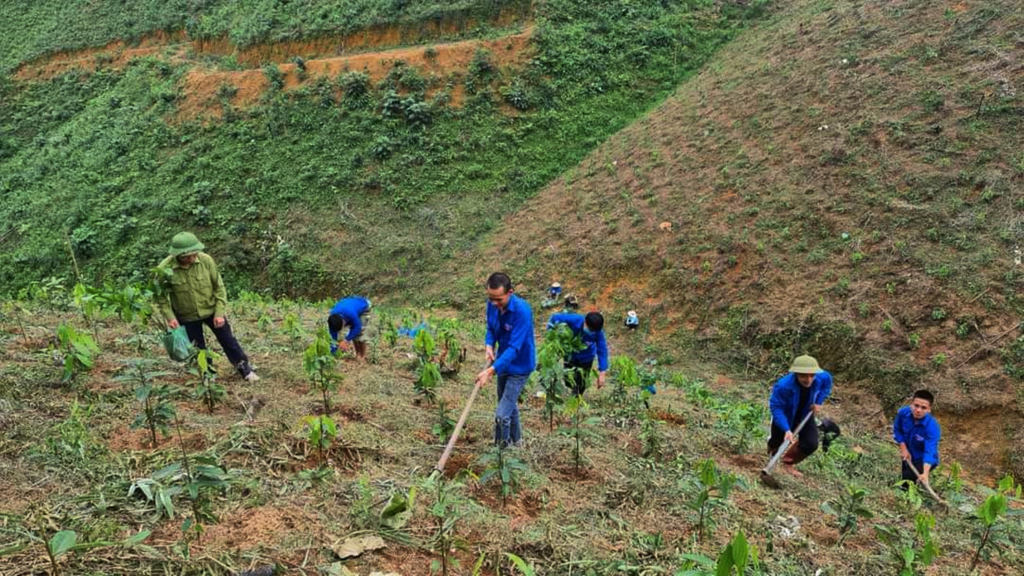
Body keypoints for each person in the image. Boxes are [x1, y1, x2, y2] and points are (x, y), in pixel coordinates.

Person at [154, 232, 258, 381]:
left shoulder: (206, 261)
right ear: (177, 255)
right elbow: (160, 297)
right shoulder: (164, 269)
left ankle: (245, 370)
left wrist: (219, 313)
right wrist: (170, 317)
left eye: (194, 255)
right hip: (186, 315)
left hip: (211, 310)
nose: (192, 259)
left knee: (229, 341)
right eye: (187, 257)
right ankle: (208, 375)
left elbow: (219, 287)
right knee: (198, 349)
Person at [475, 273, 536, 447]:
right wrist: (488, 345)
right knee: (509, 407)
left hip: (520, 365)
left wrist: (490, 370)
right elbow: (491, 328)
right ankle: (517, 444)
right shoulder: (492, 304)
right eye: (490, 298)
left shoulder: (522, 311)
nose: (494, 303)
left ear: (510, 292)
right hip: (502, 362)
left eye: (498, 300)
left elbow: (515, 348)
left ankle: (502, 452)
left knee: (502, 415)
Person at [767, 355, 834, 477]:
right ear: (796, 374)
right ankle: (772, 454)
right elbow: (776, 408)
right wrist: (786, 429)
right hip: (786, 415)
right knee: (777, 440)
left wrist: (818, 402)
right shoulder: (783, 386)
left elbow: (827, 384)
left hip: (805, 414)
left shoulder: (822, 377)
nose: (808, 379)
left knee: (811, 444)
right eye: (803, 376)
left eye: (811, 375)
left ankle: (788, 462)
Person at [546, 311, 609, 396]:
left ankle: (576, 399)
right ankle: (573, 390)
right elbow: (554, 318)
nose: (591, 332)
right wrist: (551, 334)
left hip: (586, 358)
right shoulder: (574, 319)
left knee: (581, 383)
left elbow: (602, 350)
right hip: (570, 354)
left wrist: (602, 372)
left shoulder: (598, 332)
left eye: (593, 331)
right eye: (590, 329)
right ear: (585, 323)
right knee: (568, 380)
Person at [893, 389, 941, 488]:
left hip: (923, 458)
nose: (918, 410)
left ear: (929, 409)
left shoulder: (932, 427)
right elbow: (898, 429)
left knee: (907, 479)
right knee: (905, 475)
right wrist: (904, 449)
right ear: (911, 404)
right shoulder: (903, 413)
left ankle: (907, 500)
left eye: (923, 408)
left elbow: (930, 450)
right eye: (916, 406)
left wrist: (925, 473)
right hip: (909, 451)